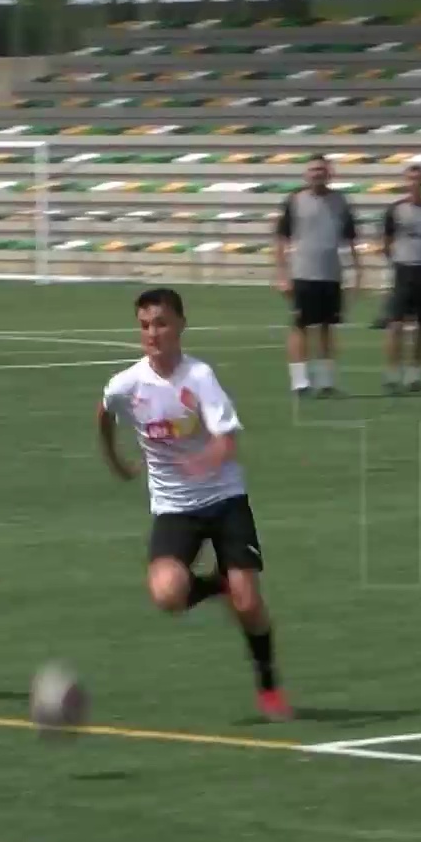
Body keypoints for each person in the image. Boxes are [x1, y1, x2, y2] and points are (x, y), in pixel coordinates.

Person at [98, 287, 290, 720]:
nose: (153, 333)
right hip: (173, 508)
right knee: (167, 594)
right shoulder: (127, 385)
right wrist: (115, 459)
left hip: (224, 500)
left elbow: (227, 437)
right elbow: (103, 410)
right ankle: (217, 585)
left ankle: (268, 680)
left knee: (249, 604)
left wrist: (208, 459)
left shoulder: (199, 376)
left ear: (181, 325)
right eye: (145, 325)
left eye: (162, 323)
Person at [273, 155, 361, 398]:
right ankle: (300, 381)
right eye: (312, 170)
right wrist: (282, 274)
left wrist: (358, 271)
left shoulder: (341, 201)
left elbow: (351, 240)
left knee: (327, 327)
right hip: (302, 272)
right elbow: (281, 240)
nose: (317, 173)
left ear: (329, 173)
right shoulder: (294, 200)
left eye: (321, 169)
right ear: (306, 174)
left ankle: (326, 382)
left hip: (331, 273)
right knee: (300, 326)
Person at [380, 164, 421, 393]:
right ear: (405, 181)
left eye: (419, 179)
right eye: (411, 179)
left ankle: (414, 376)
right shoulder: (395, 210)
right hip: (402, 269)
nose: (415, 183)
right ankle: (392, 374)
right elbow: (386, 240)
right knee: (396, 324)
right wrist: (398, 258)